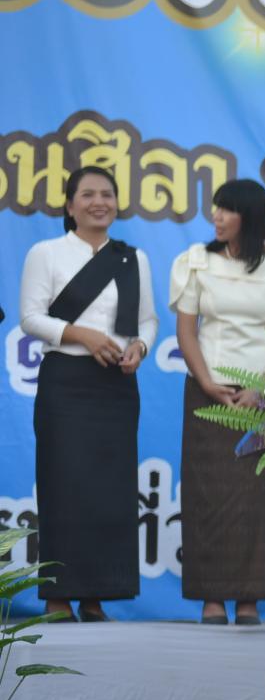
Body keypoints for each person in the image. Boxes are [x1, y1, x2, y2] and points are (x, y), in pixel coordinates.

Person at [20, 165, 157, 623]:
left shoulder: (132, 258)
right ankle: (58, 597)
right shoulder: (46, 253)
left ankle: (96, 595)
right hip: (66, 382)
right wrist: (83, 335)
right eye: (88, 194)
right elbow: (31, 318)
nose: (99, 202)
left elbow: (147, 321)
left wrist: (139, 347)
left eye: (107, 194)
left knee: (109, 490)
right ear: (70, 204)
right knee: (63, 486)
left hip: (116, 384)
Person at [170, 179, 265, 626]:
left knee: (257, 497)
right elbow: (187, 330)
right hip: (208, 393)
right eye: (216, 209)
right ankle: (212, 598)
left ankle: (250, 600)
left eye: (226, 210)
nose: (216, 218)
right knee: (208, 495)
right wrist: (207, 382)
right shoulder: (197, 260)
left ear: (251, 216)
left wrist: (263, 387)